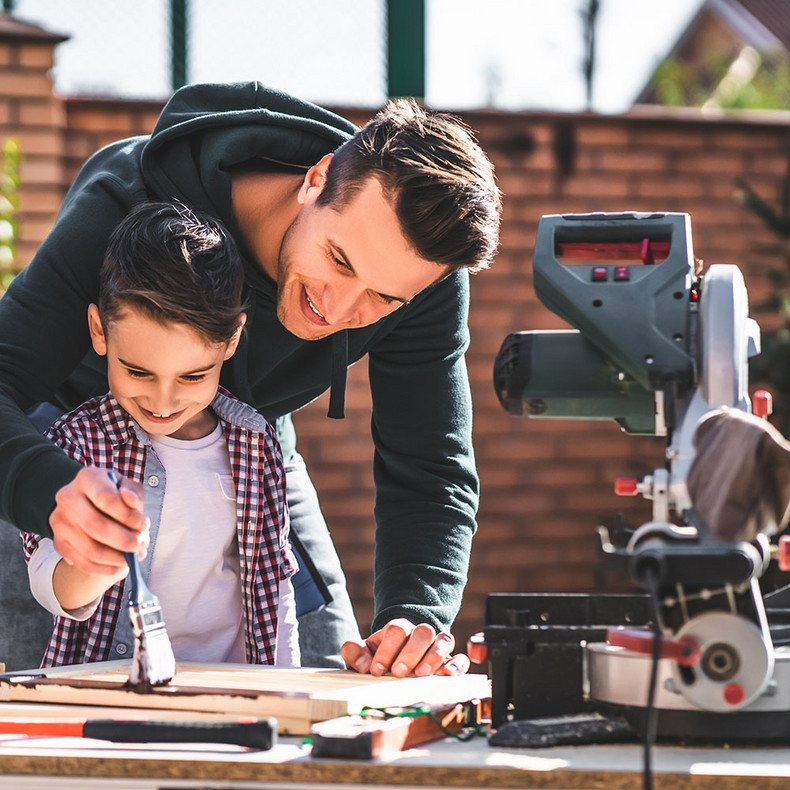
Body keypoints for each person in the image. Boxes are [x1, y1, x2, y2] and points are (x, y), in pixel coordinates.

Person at [0, 82, 502, 675]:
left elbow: (430, 466)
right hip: (67, 458)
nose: (337, 311)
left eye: (382, 297)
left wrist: (416, 616)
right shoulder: (124, 199)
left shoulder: (425, 273)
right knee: (43, 700)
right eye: (339, 261)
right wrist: (50, 492)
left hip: (253, 453)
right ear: (316, 181)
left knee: (325, 701)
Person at [20, 201, 299, 668]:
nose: (163, 402)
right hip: (105, 696)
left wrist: (286, 691)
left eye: (192, 377)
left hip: (227, 694)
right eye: (138, 372)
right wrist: (95, 564)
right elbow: (46, 581)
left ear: (230, 341)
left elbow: (274, 589)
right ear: (98, 331)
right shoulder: (74, 444)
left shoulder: (254, 444)